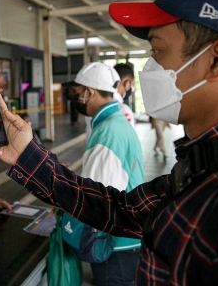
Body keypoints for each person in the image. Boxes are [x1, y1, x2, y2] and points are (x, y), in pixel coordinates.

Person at [0, 0, 218, 285]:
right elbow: (124, 210)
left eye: (158, 50)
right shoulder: (213, 163)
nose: (151, 67)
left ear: (217, 60)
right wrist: (27, 155)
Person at [68, 62, 144, 286]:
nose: (76, 98)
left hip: (116, 247)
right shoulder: (116, 122)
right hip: (127, 239)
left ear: (89, 92)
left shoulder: (108, 132)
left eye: (78, 92)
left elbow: (95, 200)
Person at [113, 63, 136, 128]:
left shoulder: (95, 105)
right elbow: (130, 137)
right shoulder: (123, 109)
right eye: (132, 84)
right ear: (127, 83)